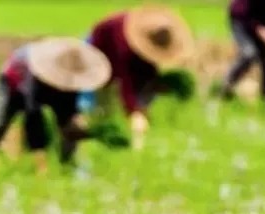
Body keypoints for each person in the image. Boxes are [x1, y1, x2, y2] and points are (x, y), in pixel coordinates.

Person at [0, 37, 111, 174]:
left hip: (45, 87)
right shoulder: (35, 75)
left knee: (69, 126)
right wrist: (41, 163)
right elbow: (32, 116)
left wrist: (81, 130)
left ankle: (68, 166)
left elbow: (69, 111)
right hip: (14, 81)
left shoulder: (72, 81)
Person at [79, 6, 193, 150]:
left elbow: (148, 71)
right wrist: (134, 111)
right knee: (92, 104)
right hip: (96, 49)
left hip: (117, 56)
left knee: (110, 108)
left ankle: (107, 136)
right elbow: (126, 81)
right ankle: (90, 139)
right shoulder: (124, 45)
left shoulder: (148, 41)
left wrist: (144, 105)